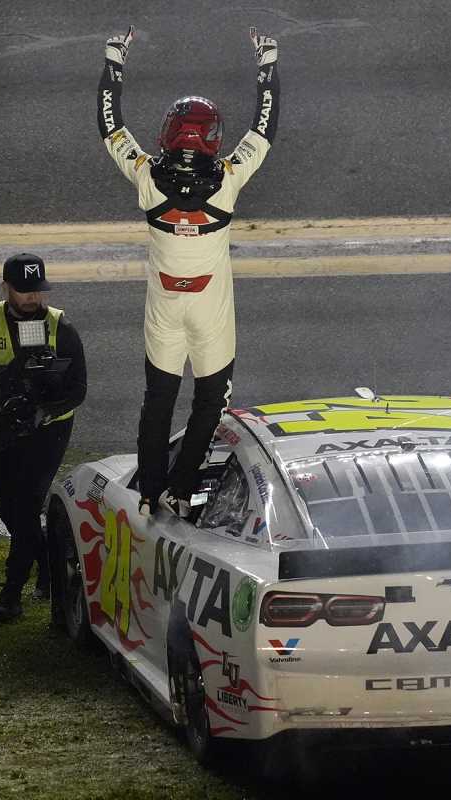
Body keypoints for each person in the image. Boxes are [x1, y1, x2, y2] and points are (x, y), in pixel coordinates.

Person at [97, 24, 279, 516]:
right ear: (212, 140)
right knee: (210, 402)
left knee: (157, 401)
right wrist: (267, 64)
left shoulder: (146, 178)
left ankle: (152, 491)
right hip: (210, 306)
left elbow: (110, 127)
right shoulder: (227, 180)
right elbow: (263, 130)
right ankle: (180, 490)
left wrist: (115, 57)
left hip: (163, 305)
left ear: (167, 134)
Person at [0, 254, 87, 623]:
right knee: (11, 512)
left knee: (27, 506)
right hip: (3, 429)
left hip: (48, 431)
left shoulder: (61, 327)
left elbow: (79, 390)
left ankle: (11, 594)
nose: (31, 299)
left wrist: (45, 411)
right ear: (5, 288)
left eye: (37, 291)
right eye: (23, 291)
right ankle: (46, 564)